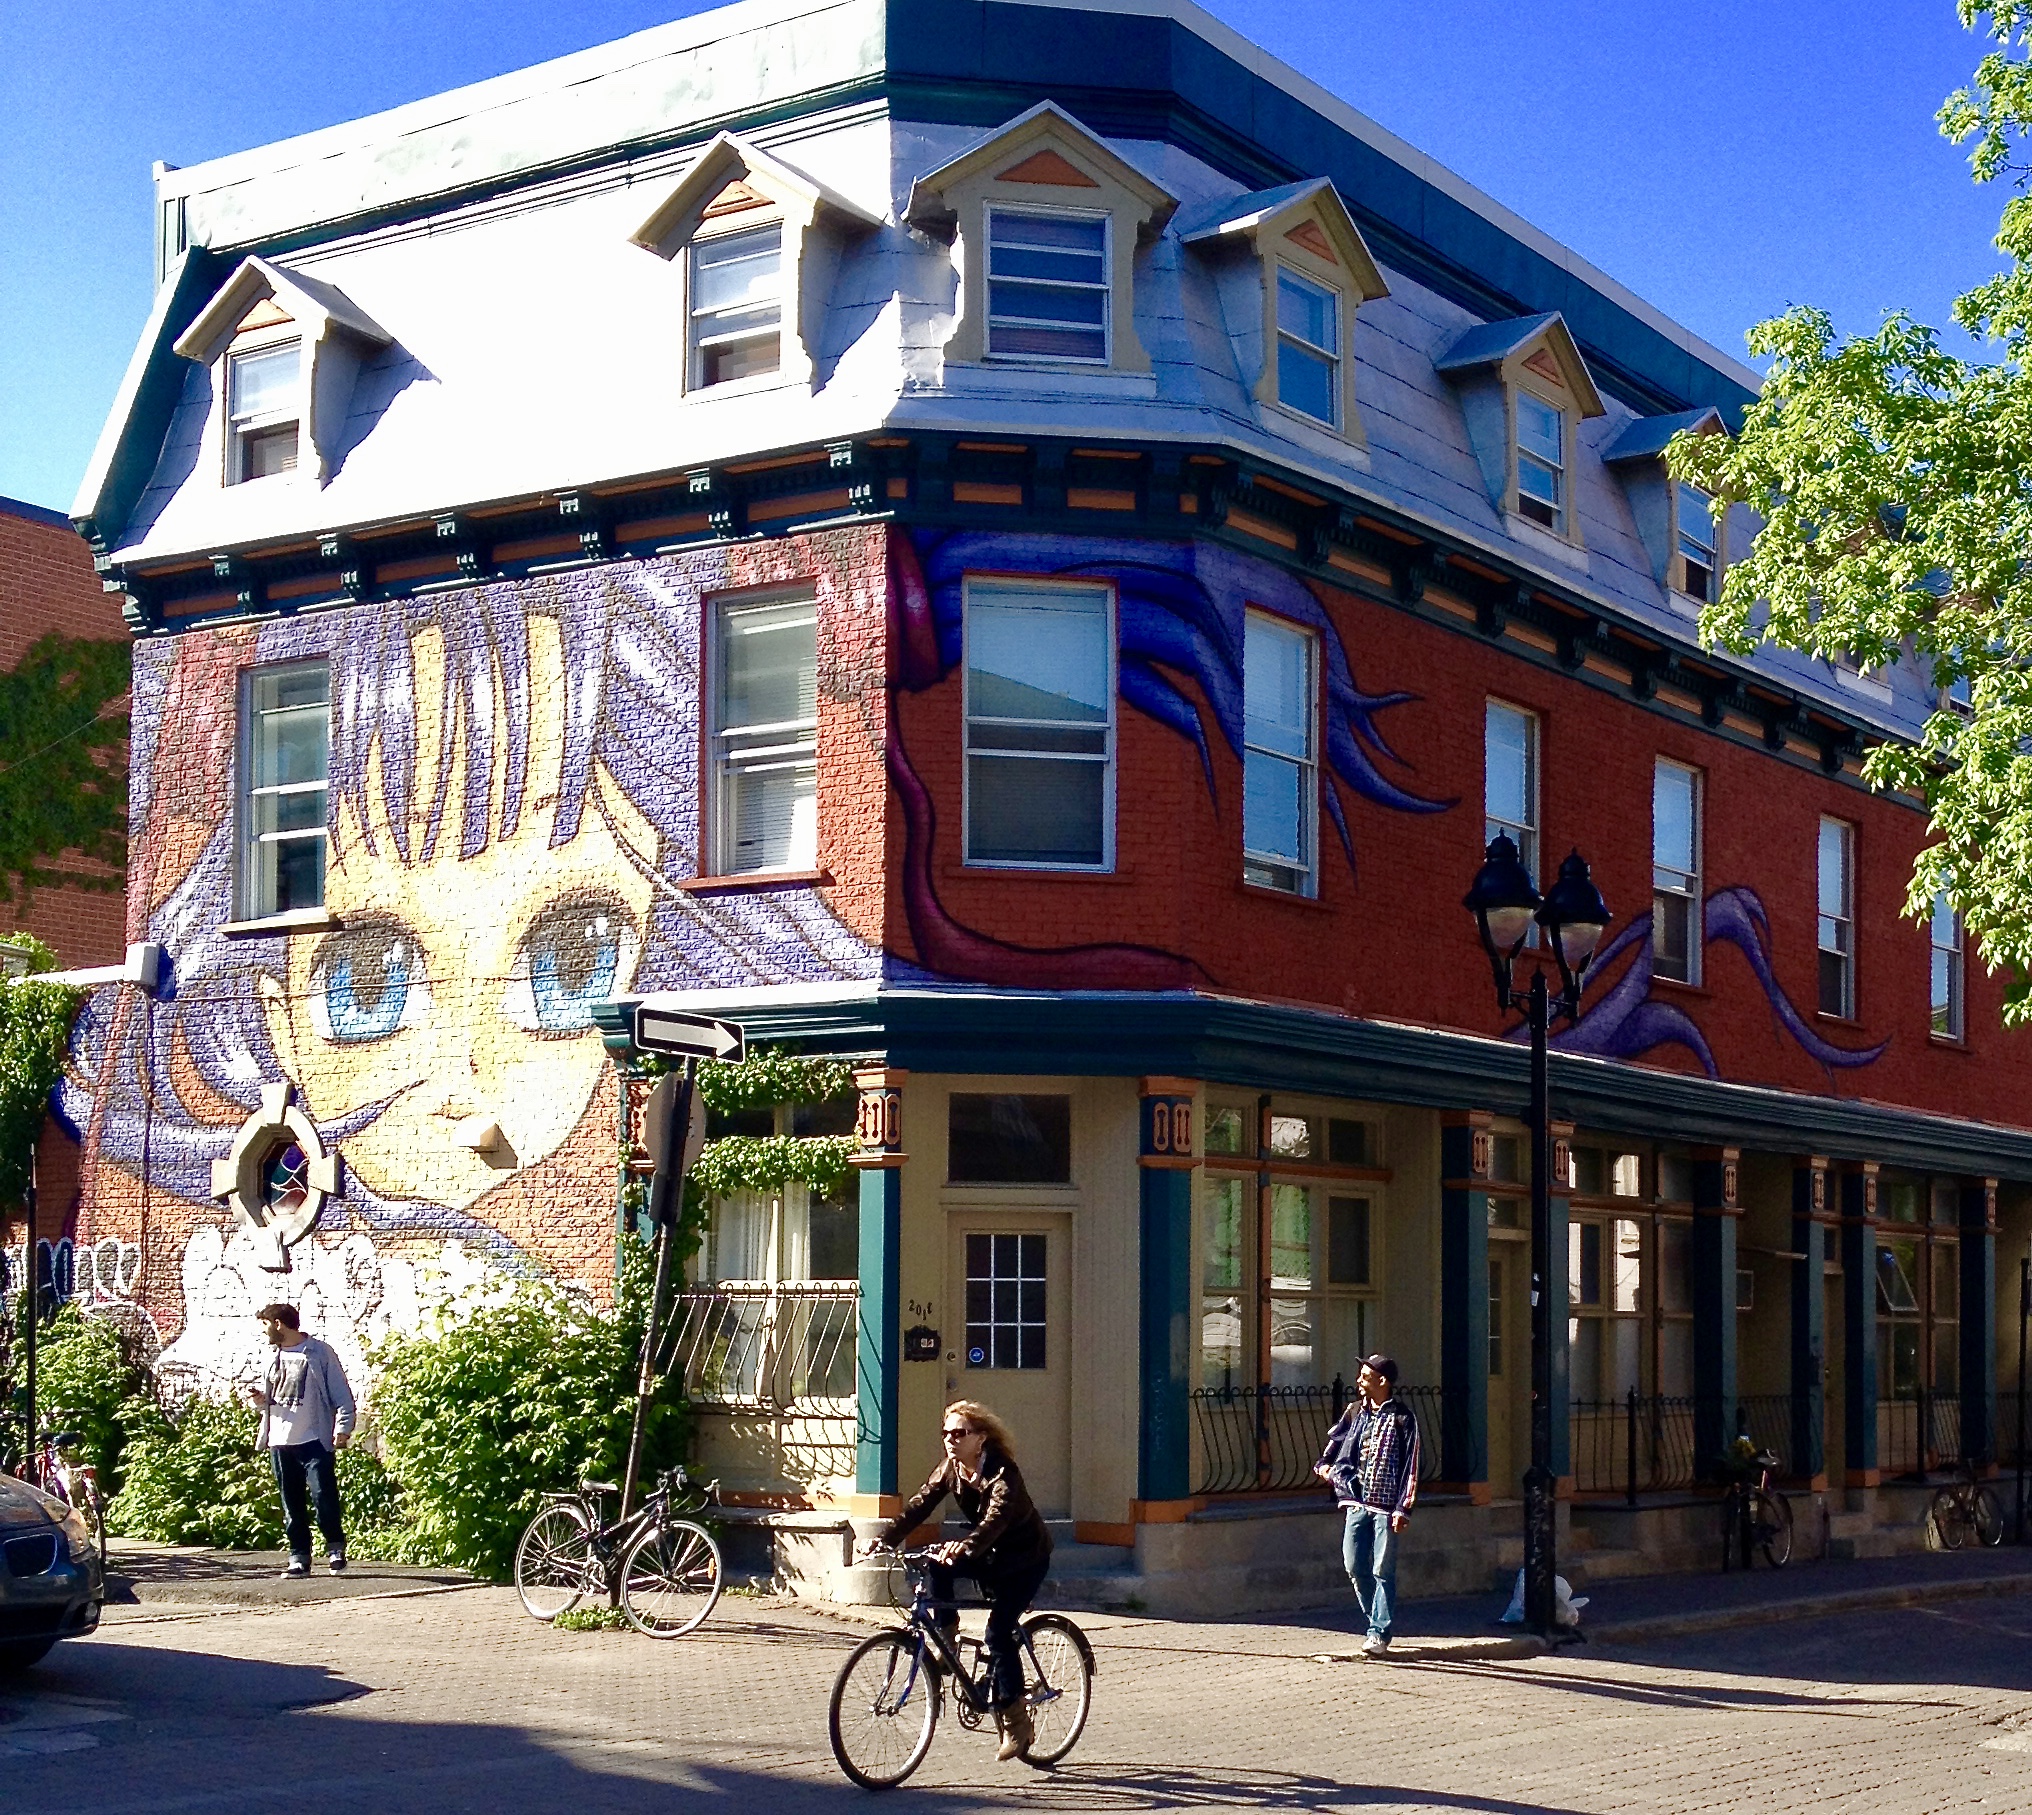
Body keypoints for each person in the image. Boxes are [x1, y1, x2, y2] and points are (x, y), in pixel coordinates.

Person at [865, 1401, 1053, 1761]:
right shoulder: (951, 1468)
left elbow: (995, 1521)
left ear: (980, 1438)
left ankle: (1016, 1722)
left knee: (998, 1633)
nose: (950, 1440)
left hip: (1023, 1560)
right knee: (936, 1566)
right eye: (946, 1433)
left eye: (959, 1433)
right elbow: (921, 1503)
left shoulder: (1003, 1473)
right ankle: (947, 1644)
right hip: (987, 1553)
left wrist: (963, 1547)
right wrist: (886, 1538)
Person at [1315, 1354, 1420, 1658]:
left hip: (1386, 1508)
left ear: (1381, 1381)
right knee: (1353, 1565)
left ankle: (1379, 1632)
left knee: (1382, 1570)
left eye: (1364, 1376)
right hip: (1356, 1502)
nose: (1359, 1382)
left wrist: (1404, 1507)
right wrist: (1326, 1467)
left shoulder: (1403, 1418)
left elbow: (1411, 1466)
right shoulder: (1355, 1413)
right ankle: (1376, 1621)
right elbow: (1335, 1446)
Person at [245, 1302, 357, 1577]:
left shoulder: (318, 1352)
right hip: (280, 1440)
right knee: (290, 1503)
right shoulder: (271, 1355)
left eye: (265, 1326)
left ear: (278, 1324)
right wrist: (258, 1401)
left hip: (314, 1439)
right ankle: (299, 1558)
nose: (264, 1333)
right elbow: (268, 1402)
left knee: (323, 1496)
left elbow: (341, 1392)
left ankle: (335, 1551)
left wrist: (342, 1428)